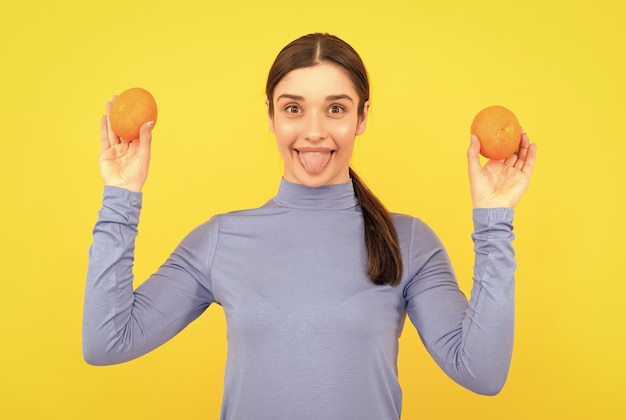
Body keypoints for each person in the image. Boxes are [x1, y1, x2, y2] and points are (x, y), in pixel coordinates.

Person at [83, 33, 537, 419]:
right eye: (294, 108)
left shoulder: (408, 242)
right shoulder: (220, 240)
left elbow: (482, 372)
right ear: (271, 116)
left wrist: (494, 221)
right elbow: (107, 341)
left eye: (336, 109)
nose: (315, 131)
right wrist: (121, 196)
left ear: (362, 117)